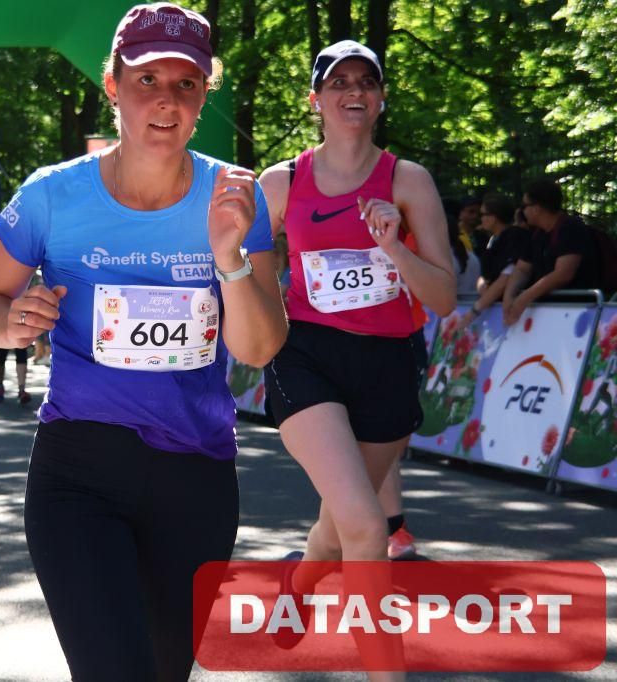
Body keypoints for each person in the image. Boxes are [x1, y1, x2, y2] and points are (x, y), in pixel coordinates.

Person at [0, 4, 285, 679]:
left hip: (196, 475)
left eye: (186, 84)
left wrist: (228, 258)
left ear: (204, 94)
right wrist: (10, 320)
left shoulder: (235, 195)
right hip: (79, 469)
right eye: (146, 80)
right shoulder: (52, 195)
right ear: (112, 86)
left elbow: (259, 348)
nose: (166, 100)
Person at [259, 39, 455, 672]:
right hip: (305, 357)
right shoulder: (281, 182)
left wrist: (394, 247)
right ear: (315, 100)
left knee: (341, 524)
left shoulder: (408, 181)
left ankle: (299, 583)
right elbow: (237, 267)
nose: (353, 91)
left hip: (387, 362)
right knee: (370, 529)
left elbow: (444, 297)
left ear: (380, 99)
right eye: (338, 82)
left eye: (365, 82)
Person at [502, 178, 601, 326]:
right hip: (548, 313)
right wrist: (509, 297)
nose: (522, 211)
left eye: (524, 206)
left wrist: (524, 298)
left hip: (575, 314)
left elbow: (563, 274)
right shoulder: (537, 235)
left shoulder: (570, 228)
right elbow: (522, 269)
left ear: (536, 208)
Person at [458, 193, 530, 327]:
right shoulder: (493, 240)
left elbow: (506, 276)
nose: (480, 218)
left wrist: (475, 310)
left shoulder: (514, 237)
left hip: (511, 312)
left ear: (493, 217)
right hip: (493, 306)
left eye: (482, 214)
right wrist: (482, 287)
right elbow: (484, 276)